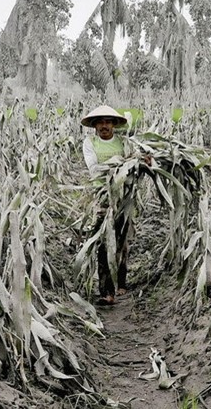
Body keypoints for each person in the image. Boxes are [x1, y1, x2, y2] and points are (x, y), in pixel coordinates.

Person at [81, 105, 137, 306]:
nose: (104, 126)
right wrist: (122, 164)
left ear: (114, 124)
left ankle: (121, 281)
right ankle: (107, 292)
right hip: (102, 198)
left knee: (122, 241)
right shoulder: (90, 143)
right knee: (103, 243)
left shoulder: (124, 143)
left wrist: (141, 161)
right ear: (94, 125)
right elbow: (94, 169)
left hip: (123, 198)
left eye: (108, 121)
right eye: (100, 122)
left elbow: (135, 166)